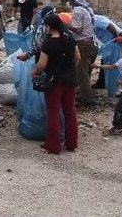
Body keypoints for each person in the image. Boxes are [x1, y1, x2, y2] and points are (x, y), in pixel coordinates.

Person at [30, 14, 80, 154]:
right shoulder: (70, 39)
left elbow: (42, 64)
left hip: (54, 82)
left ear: (49, 26)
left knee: (53, 113)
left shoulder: (48, 43)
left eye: (45, 25)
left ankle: (54, 146)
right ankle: (71, 144)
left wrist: (34, 73)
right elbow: (78, 58)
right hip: (70, 81)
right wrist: (70, 70)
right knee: (70, 112)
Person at [63, 0, 97, 106]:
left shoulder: (77, 11)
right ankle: (81, 92)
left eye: (69, 0)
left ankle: (87, 98)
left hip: (83, 43)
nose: (68, 2)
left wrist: (62, 22)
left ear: (72, 1)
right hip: (89, 42)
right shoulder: (84, 10)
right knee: (84, 70)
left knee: (81, 71)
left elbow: (77, 29)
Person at [92, 14, 122, 89]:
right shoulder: (93, 20)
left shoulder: (96, 19)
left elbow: (109, 26)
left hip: (114, 40)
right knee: (105, 60)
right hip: (108, 42)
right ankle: (102, 83)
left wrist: (116, 39)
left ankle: (117, 86)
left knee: (115, 63)